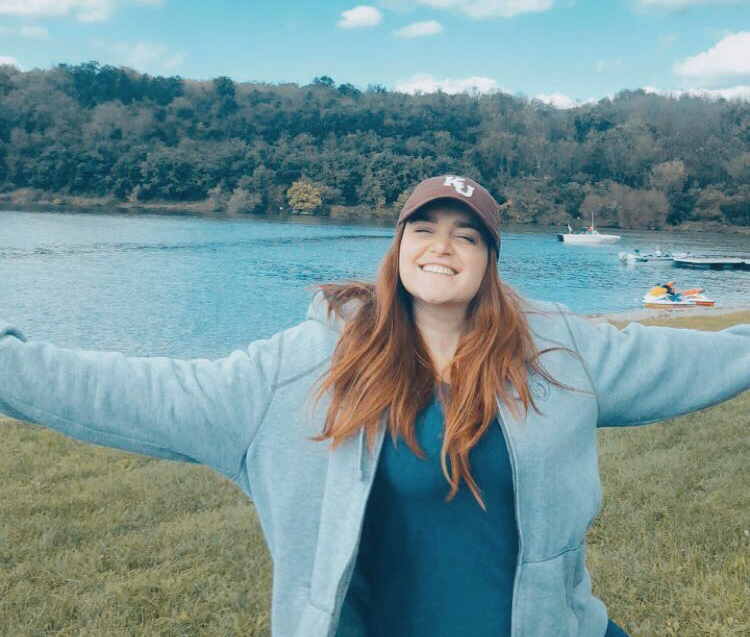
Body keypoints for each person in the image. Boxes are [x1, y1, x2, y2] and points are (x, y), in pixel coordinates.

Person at [1, 173, 749, 637]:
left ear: (489, 261)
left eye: (467, 237)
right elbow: (127, 393)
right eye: (424, 229)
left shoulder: (559, 352)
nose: (442, 247)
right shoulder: (299, 372)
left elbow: (707, 358)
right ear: (398, 247)